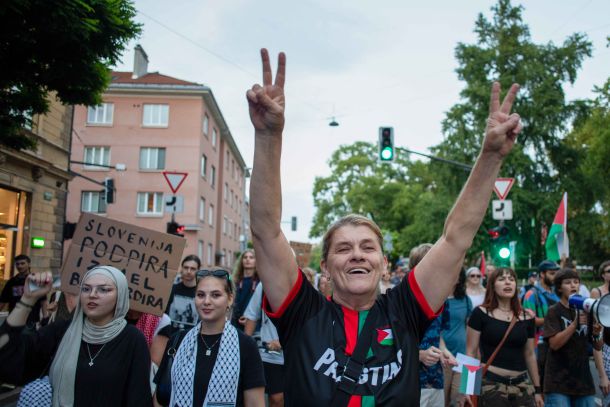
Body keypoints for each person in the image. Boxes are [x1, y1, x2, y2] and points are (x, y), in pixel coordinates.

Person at [246, 47, 522, 405]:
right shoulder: (304, 312)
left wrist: (490, 157)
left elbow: (455, 239)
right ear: (326, 267)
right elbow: (266, 231)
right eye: (343, 249)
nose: (356, 254)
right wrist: (268, 137)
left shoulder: (405, 310)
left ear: (384, 264)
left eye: (367, 247)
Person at [0, 266, 152, 406]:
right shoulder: (61, 331)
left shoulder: (133, 339)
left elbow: (138, 399)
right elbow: (8, 359)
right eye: (86, 289)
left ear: (121, 295)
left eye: (104, 290)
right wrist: (28, 299)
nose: (92, 295)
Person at [154, 268, 265, 407]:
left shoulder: (246, 345)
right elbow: (159, 398)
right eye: (200, 295)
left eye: (215, 295)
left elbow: (255, 403)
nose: (206, 301)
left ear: (230, 299)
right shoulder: (177, 340)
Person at [466, 267, 543, 407]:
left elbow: (530, 354)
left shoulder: (527, 317)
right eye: (501, 279)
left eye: (511, 279)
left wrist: (537, 390)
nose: (508, 283)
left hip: (522, 387)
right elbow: (471, 351)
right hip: (490, 386)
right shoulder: (480, 313)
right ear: (492, 286)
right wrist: (467, 388)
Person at [543, 268, 603, 406]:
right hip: (558, 382)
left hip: (583, 381)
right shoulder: (554, 311)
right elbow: (554, 344)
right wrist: (574, 324)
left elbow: (597, 346)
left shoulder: (586, 310)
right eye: (568, 282)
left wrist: (597, 333)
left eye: (576, 282)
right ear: (559, 287)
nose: (573, 285)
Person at [413, 243, 456, 406]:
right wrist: (420, 355)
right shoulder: (403, 299)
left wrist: (445, 351)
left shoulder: (443, 298)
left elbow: (438, 336)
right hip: (412, 382)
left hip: (436, 379)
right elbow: (393, 342)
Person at [244, 283, 285, 407]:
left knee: (282, 398)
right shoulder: (264, 285)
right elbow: (252, 316)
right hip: (267, 353)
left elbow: (306, 322)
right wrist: (245, 348)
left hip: (293, 354)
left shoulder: (299, 283)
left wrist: (283, 341)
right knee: (272, 397)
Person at [521, 259, 560, 391]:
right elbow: (529, 321)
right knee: (540, 384)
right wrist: (554, 317)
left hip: (558, 343)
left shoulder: (557, 294)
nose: (555, 276)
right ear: (542, 274)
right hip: (539, 345)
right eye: (552, 273)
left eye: (556, 273)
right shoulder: (531, 294)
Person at [441, 268, 472, 407]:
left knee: (461, 402)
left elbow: (473, 335)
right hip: (441, 358)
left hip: (464, 357)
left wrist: (471, 380)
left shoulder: (465, 299)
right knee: (441, 402)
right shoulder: (436, 298)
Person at [0, 254, 45, 326]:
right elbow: (3, 300)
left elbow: (43, 301)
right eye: (17, 264)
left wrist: (45, 318)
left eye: (22, 263)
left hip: (30, 321)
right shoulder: (12, 282)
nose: (20, 266)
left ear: (29, 264)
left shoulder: (35, 281)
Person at [165, 255, 200, 331]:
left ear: (198, 271)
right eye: (186, 267)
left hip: (192, 338)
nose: (188, 271)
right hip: (170, 337)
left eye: (193, 269)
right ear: (181, 268)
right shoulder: (171, 289)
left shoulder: (202, 293)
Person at [232, 250, 259, 330]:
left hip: (253, 325)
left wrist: (250, 319)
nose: (248, 259)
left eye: (251, 257)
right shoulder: (235, 281)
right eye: (245, 257)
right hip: (235, 324)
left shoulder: (260, 282)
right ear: (241, 261)